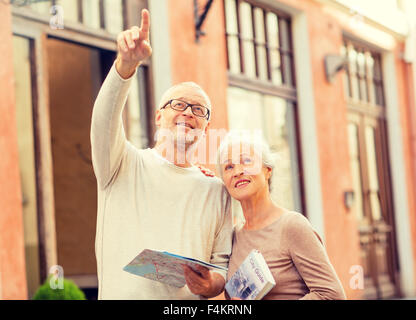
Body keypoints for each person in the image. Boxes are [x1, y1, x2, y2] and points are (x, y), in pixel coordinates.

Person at [90, 9, 232, 299]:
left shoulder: (217, 190)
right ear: (158, 117)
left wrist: (211, 285)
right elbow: (104, 121)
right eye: (178, 105)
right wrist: (124, 68)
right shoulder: (121, 165)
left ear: (206, 127)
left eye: (198, 110)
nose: (188, 114)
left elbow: (222, 264)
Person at [216, 132, 347, 300]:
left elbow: (332, 295)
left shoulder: (292, 226)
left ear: (267, 170)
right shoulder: (233, 236)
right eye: (229, 167)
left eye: (246, 161)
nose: (238, 171)